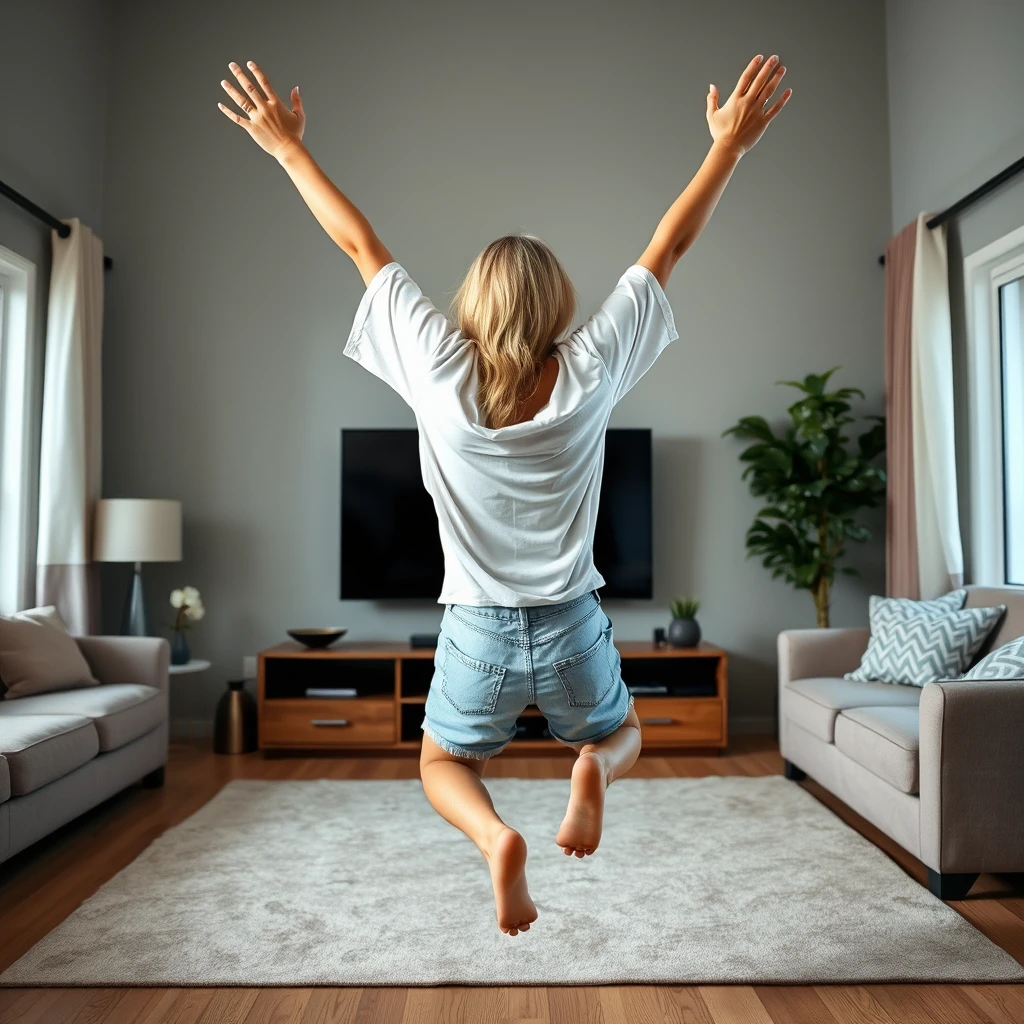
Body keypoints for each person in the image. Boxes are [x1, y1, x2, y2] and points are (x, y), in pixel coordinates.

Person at [218, 55, 791, 936]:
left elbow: (358, 245)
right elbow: (667, 247)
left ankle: (493, 839)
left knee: (442, 761)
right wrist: (729, 150)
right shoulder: (590, 369)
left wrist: (288, 150)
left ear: (473, 306)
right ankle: (591, 773)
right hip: (570, 620)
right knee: (618, 734)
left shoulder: (437, 369)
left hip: (477, 626)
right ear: (559, 302)